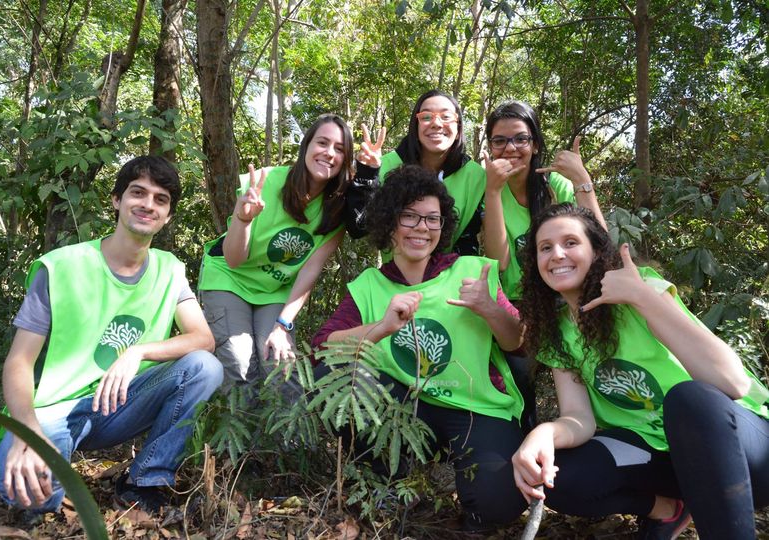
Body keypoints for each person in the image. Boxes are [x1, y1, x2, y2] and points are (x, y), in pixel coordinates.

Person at [512, 203, 769, 539]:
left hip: (742, 452)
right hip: (666, 462)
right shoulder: (556, 332)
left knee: (688, 399)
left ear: (595, 250)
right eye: (545, 248)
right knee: (557, 476)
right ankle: (669, 510)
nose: (557, 254)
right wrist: (543, 434)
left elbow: (732, 382)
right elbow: (579, 418)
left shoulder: (640, 290)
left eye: (571, 242)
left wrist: (642, 297)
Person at [0, 156, 222, 514]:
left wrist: (137, 352)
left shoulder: (170, 270)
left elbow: (203, 339)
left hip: (118, 405)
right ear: (116, 200)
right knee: (31, 499)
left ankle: (143, 480)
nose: (148, 204)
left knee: (204, 367)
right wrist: (26, 429)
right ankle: (43, 466)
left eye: (160, 199)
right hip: (53, 410)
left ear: (168, 215)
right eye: (138, 193)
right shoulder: (61, 266)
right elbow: (19, 362)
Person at [314, 165, 528, 530]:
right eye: (409, 217)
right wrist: (381, 328)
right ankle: (388, 478)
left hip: (476, 408)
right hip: (405, 408)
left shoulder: (472, 270)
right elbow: (324, 349)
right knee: (331, 374)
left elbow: (516, 341)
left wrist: (490, 308)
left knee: (496, 507)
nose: (422, 228)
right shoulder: (369, 286)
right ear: (389, 223)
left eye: (433, 218)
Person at [199, 114, 353, 398]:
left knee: (280, 364)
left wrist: (283, 325)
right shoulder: (265, 182)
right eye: (322, 142)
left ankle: (285, 442)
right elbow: (234, 260)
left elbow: (310, 270)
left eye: (340, 148)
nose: (329, 153)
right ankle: (237, 439)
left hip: (275, 290)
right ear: (306, 146)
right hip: (230, 278)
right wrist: (243, 220)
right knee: (240, 364)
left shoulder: (336, 209)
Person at [482, 100, 607, 431]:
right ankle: (527, 440)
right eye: (500, 140)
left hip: (564, 298)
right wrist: (493, 192)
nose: (511, 148)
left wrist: (581, 177)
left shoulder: (557, 186)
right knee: (520, 385)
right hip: (517, 305)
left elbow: (600, 247)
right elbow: (499, 261)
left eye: (520, 139)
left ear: (535, 144)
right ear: (491, 146)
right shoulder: (489, 188)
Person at [345, 89, 487, 255]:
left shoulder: (475, 176)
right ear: (415, 126)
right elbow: (358, 228)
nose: (436, 123)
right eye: (426, 117)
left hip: (452, 276)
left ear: (458, 129)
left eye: (446, 117)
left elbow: (468, 241)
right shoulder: (387, 165)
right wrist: (367, 173)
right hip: (394, 275)